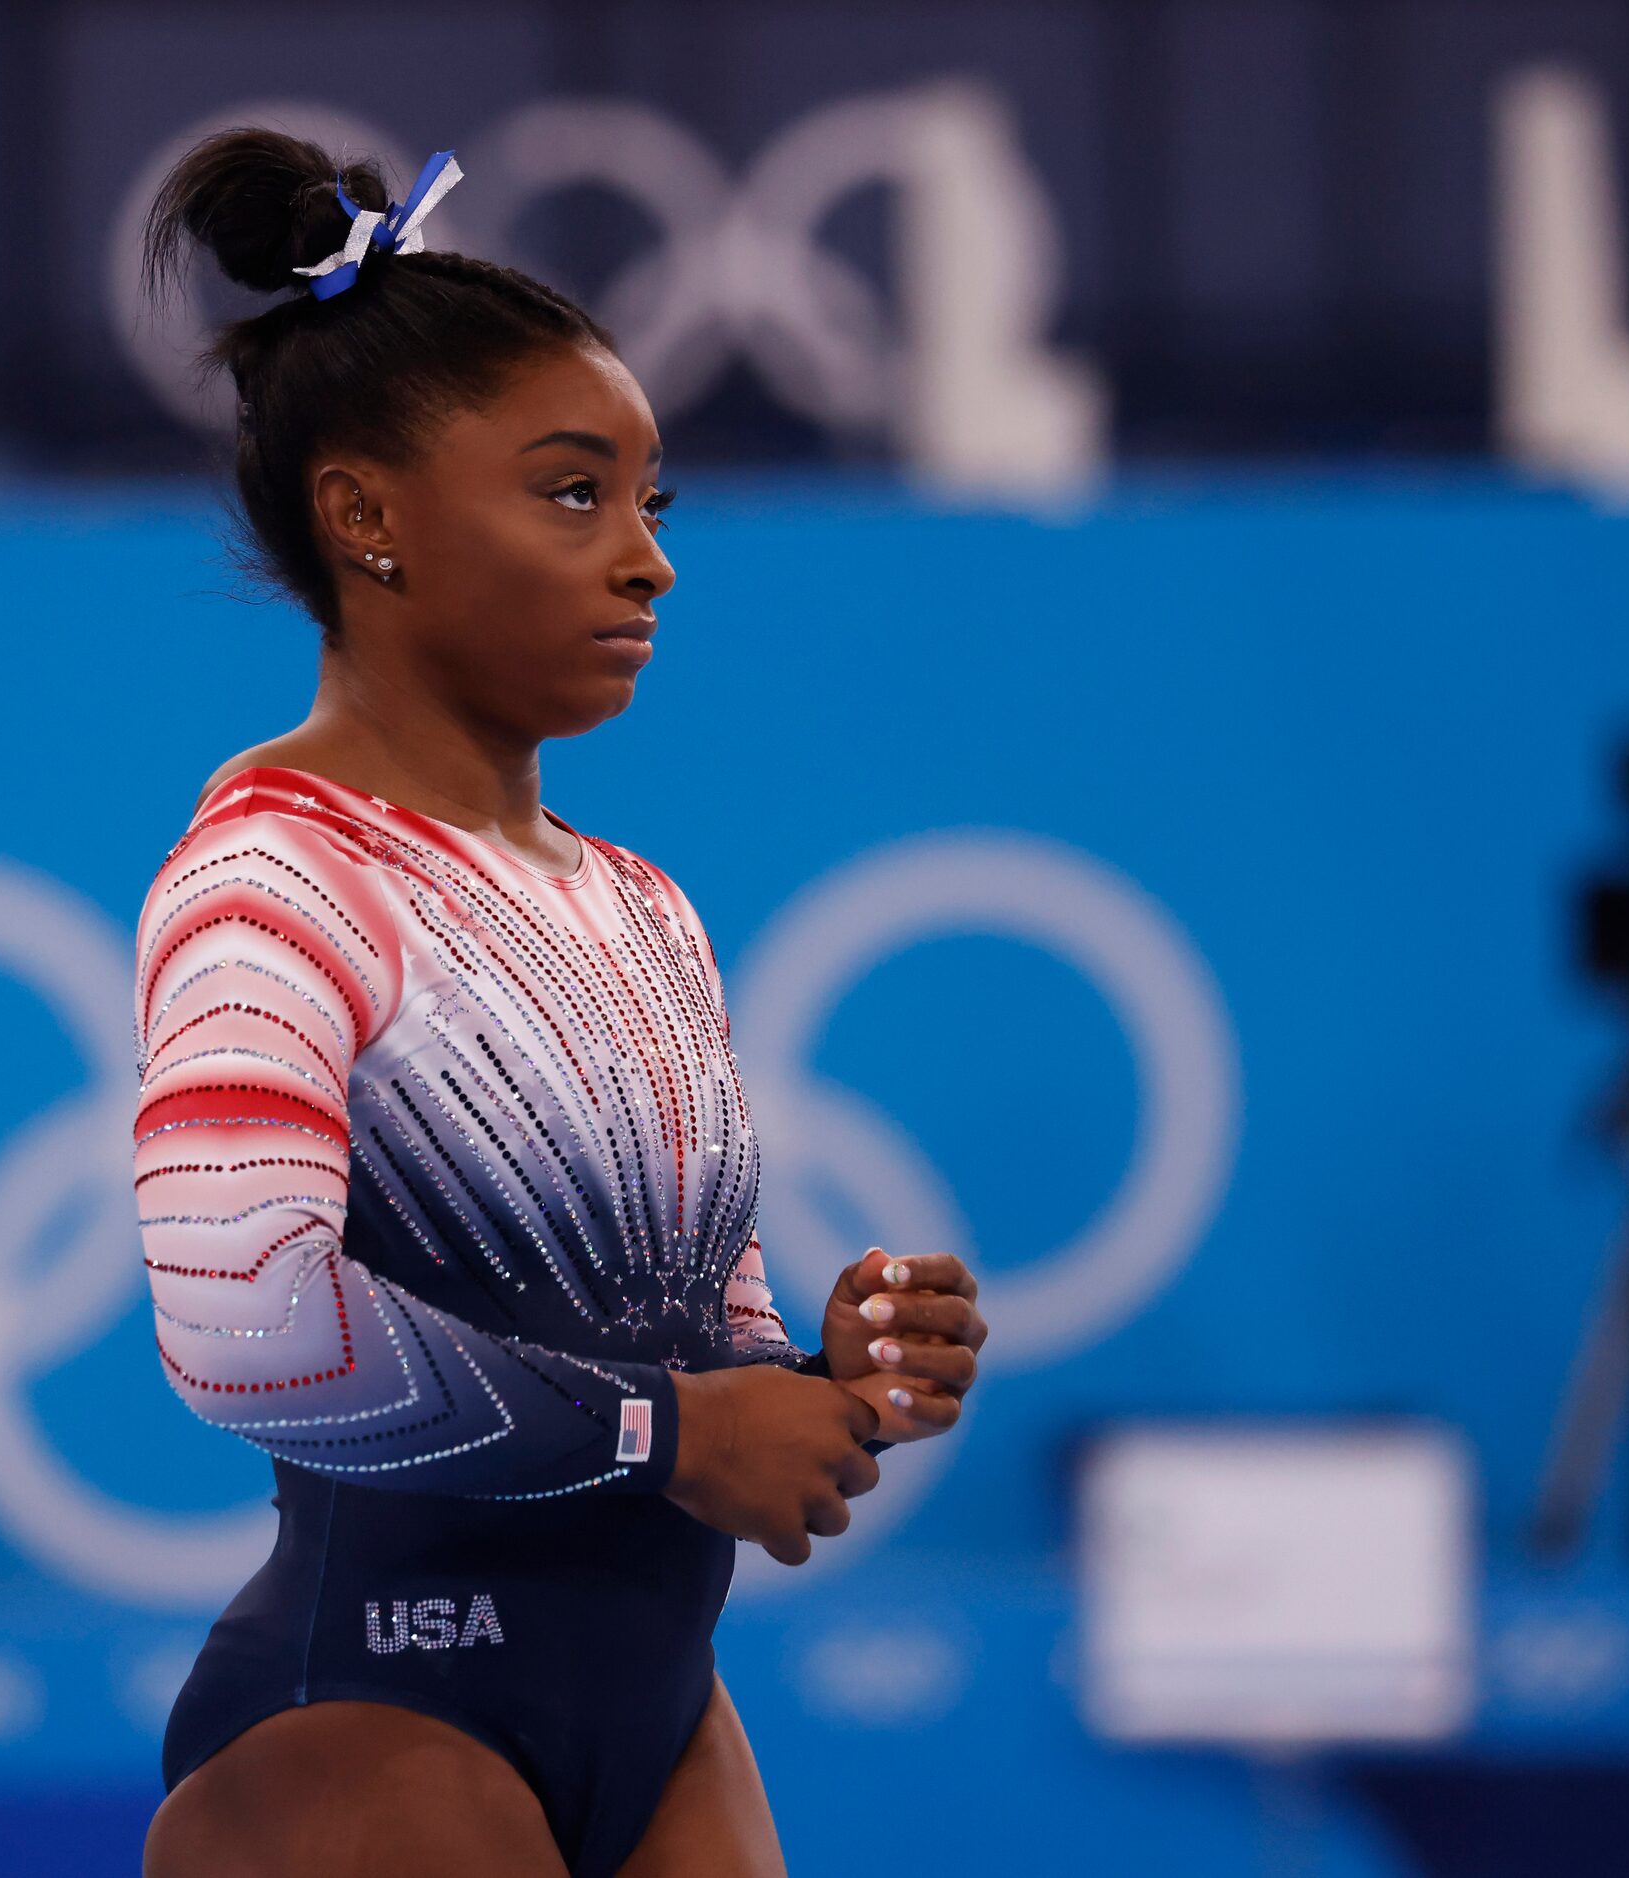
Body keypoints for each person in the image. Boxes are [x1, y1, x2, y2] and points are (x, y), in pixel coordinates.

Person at [129, 130, 989, 1877]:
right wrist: (675, 1430)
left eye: (648, 502)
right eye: (571, 491)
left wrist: (822, 1375)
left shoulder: (641, 906)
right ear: (362, 515)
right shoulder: (276, 879)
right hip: (370, 1717)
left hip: (656, 1702)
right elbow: (241, 1322)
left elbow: (690, 1328)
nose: (647, 560)